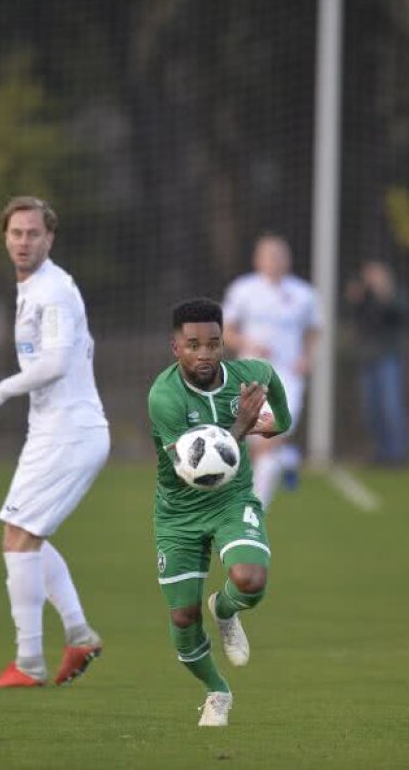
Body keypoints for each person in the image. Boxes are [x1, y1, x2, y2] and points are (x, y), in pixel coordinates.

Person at [0, 196, 109, 687]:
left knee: (19, 539)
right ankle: (78, 634)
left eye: (34, 233)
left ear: (49, 238)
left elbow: (54, 362)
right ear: (5, 237)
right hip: (56, 431)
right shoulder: (34, 287)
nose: (24, 241)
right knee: (20, 533)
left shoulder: (52, 291)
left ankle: (29, 662)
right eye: (16, 233)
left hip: (70, 433)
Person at [147, 298, 290, 726]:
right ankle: (216, 690)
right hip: (178, 512)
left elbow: (274, 388)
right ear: (176, 348)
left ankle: (225, 610)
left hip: (232, 500)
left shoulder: (249, 376)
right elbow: (196, 468)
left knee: (251, 580)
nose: (204, 353)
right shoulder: (164, 397)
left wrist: (277, 421)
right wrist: (241, 428)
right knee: (183, 616)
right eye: (193, 345)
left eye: (213, 343)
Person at [221, 234, 321, 511]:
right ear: (257, 259)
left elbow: (315, 330)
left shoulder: (304, 294)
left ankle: (254, 510)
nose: (275, 261)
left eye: (280, 255)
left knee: (270, 440)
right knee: (256, 446)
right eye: (269, 255)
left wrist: (306, 357)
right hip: (250, 376)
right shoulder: (243, 290)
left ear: (288, 259)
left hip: (287, 377)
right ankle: (286, 458)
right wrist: (247, 343)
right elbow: (226, 331)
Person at [344, 260, 409, 465]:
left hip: (389, 357)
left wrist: (384, 292)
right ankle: (381, 451)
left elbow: (402, 314)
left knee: (391, 406)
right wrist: (355, 297)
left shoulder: (394, 295)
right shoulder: (364, 297)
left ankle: (398, 454)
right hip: (367, 358)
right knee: (371, 409)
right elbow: (354, 317)